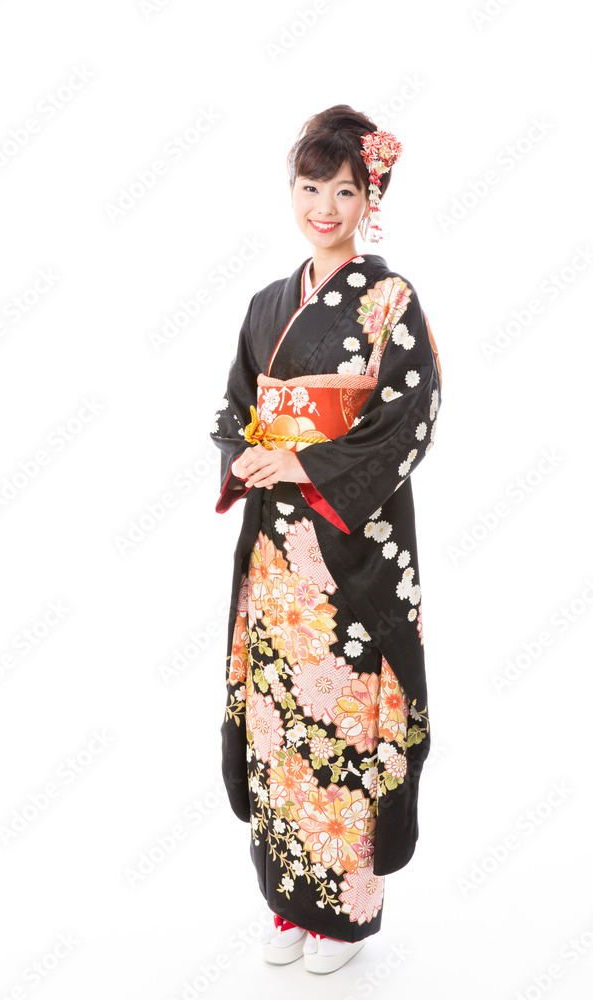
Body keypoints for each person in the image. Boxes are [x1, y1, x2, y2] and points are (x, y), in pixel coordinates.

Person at [209, 104, 442, 975]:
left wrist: (302, 466)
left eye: (344, 190)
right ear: (292, 189)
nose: (324, 207)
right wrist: (250, 457)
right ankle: (284, 900)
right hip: (278, 562)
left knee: (344, 722)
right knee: (278, 719)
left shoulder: (391, 303)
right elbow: (231, 411)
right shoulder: (268, 303)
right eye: (310, 186)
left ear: (368, 196)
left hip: (350, 558)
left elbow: (407, 419)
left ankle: (341, 914)